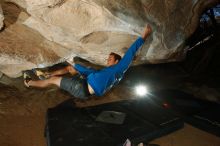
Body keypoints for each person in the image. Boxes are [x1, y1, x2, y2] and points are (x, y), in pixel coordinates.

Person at [24, 24, 152, 99]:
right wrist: (76, 66)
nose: (107, 60)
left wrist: (143, 36)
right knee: (70, 69)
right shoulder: (109, 73)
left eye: (110, 59)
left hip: (81, 87)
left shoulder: (119, 69)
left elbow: (130, 53)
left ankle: (29, 82)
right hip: (84, 85)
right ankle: (46, 74)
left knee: (53, 81)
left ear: (117, 61)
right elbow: (91, 73)